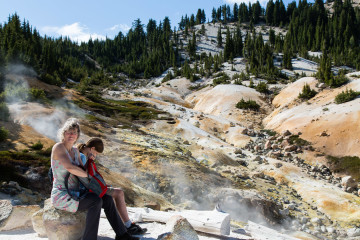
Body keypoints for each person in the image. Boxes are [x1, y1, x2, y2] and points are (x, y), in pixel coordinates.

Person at [50, 118, 139, 240]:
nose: (71, 135)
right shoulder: (58, 147)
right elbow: (70, 167)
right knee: (95, 201)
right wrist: (88, 176)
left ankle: (122, 235)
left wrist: (91, 166)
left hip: (78, 192)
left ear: (77, 135)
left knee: (107, 199)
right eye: (68, 132)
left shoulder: (76, 151)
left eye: (74, 132)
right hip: (63, 194)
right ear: (63, 133)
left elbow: (83, 169)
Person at [77, 138, 147, 235]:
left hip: (89, 188)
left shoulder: (83, 155)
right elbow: (86, 178)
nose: (95, 156)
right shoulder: (83, 158)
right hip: (89, 190)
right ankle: (128, 225)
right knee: (119, 193)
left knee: (112, 196)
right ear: (92, 148)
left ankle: (124, 226)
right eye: (96, 153)